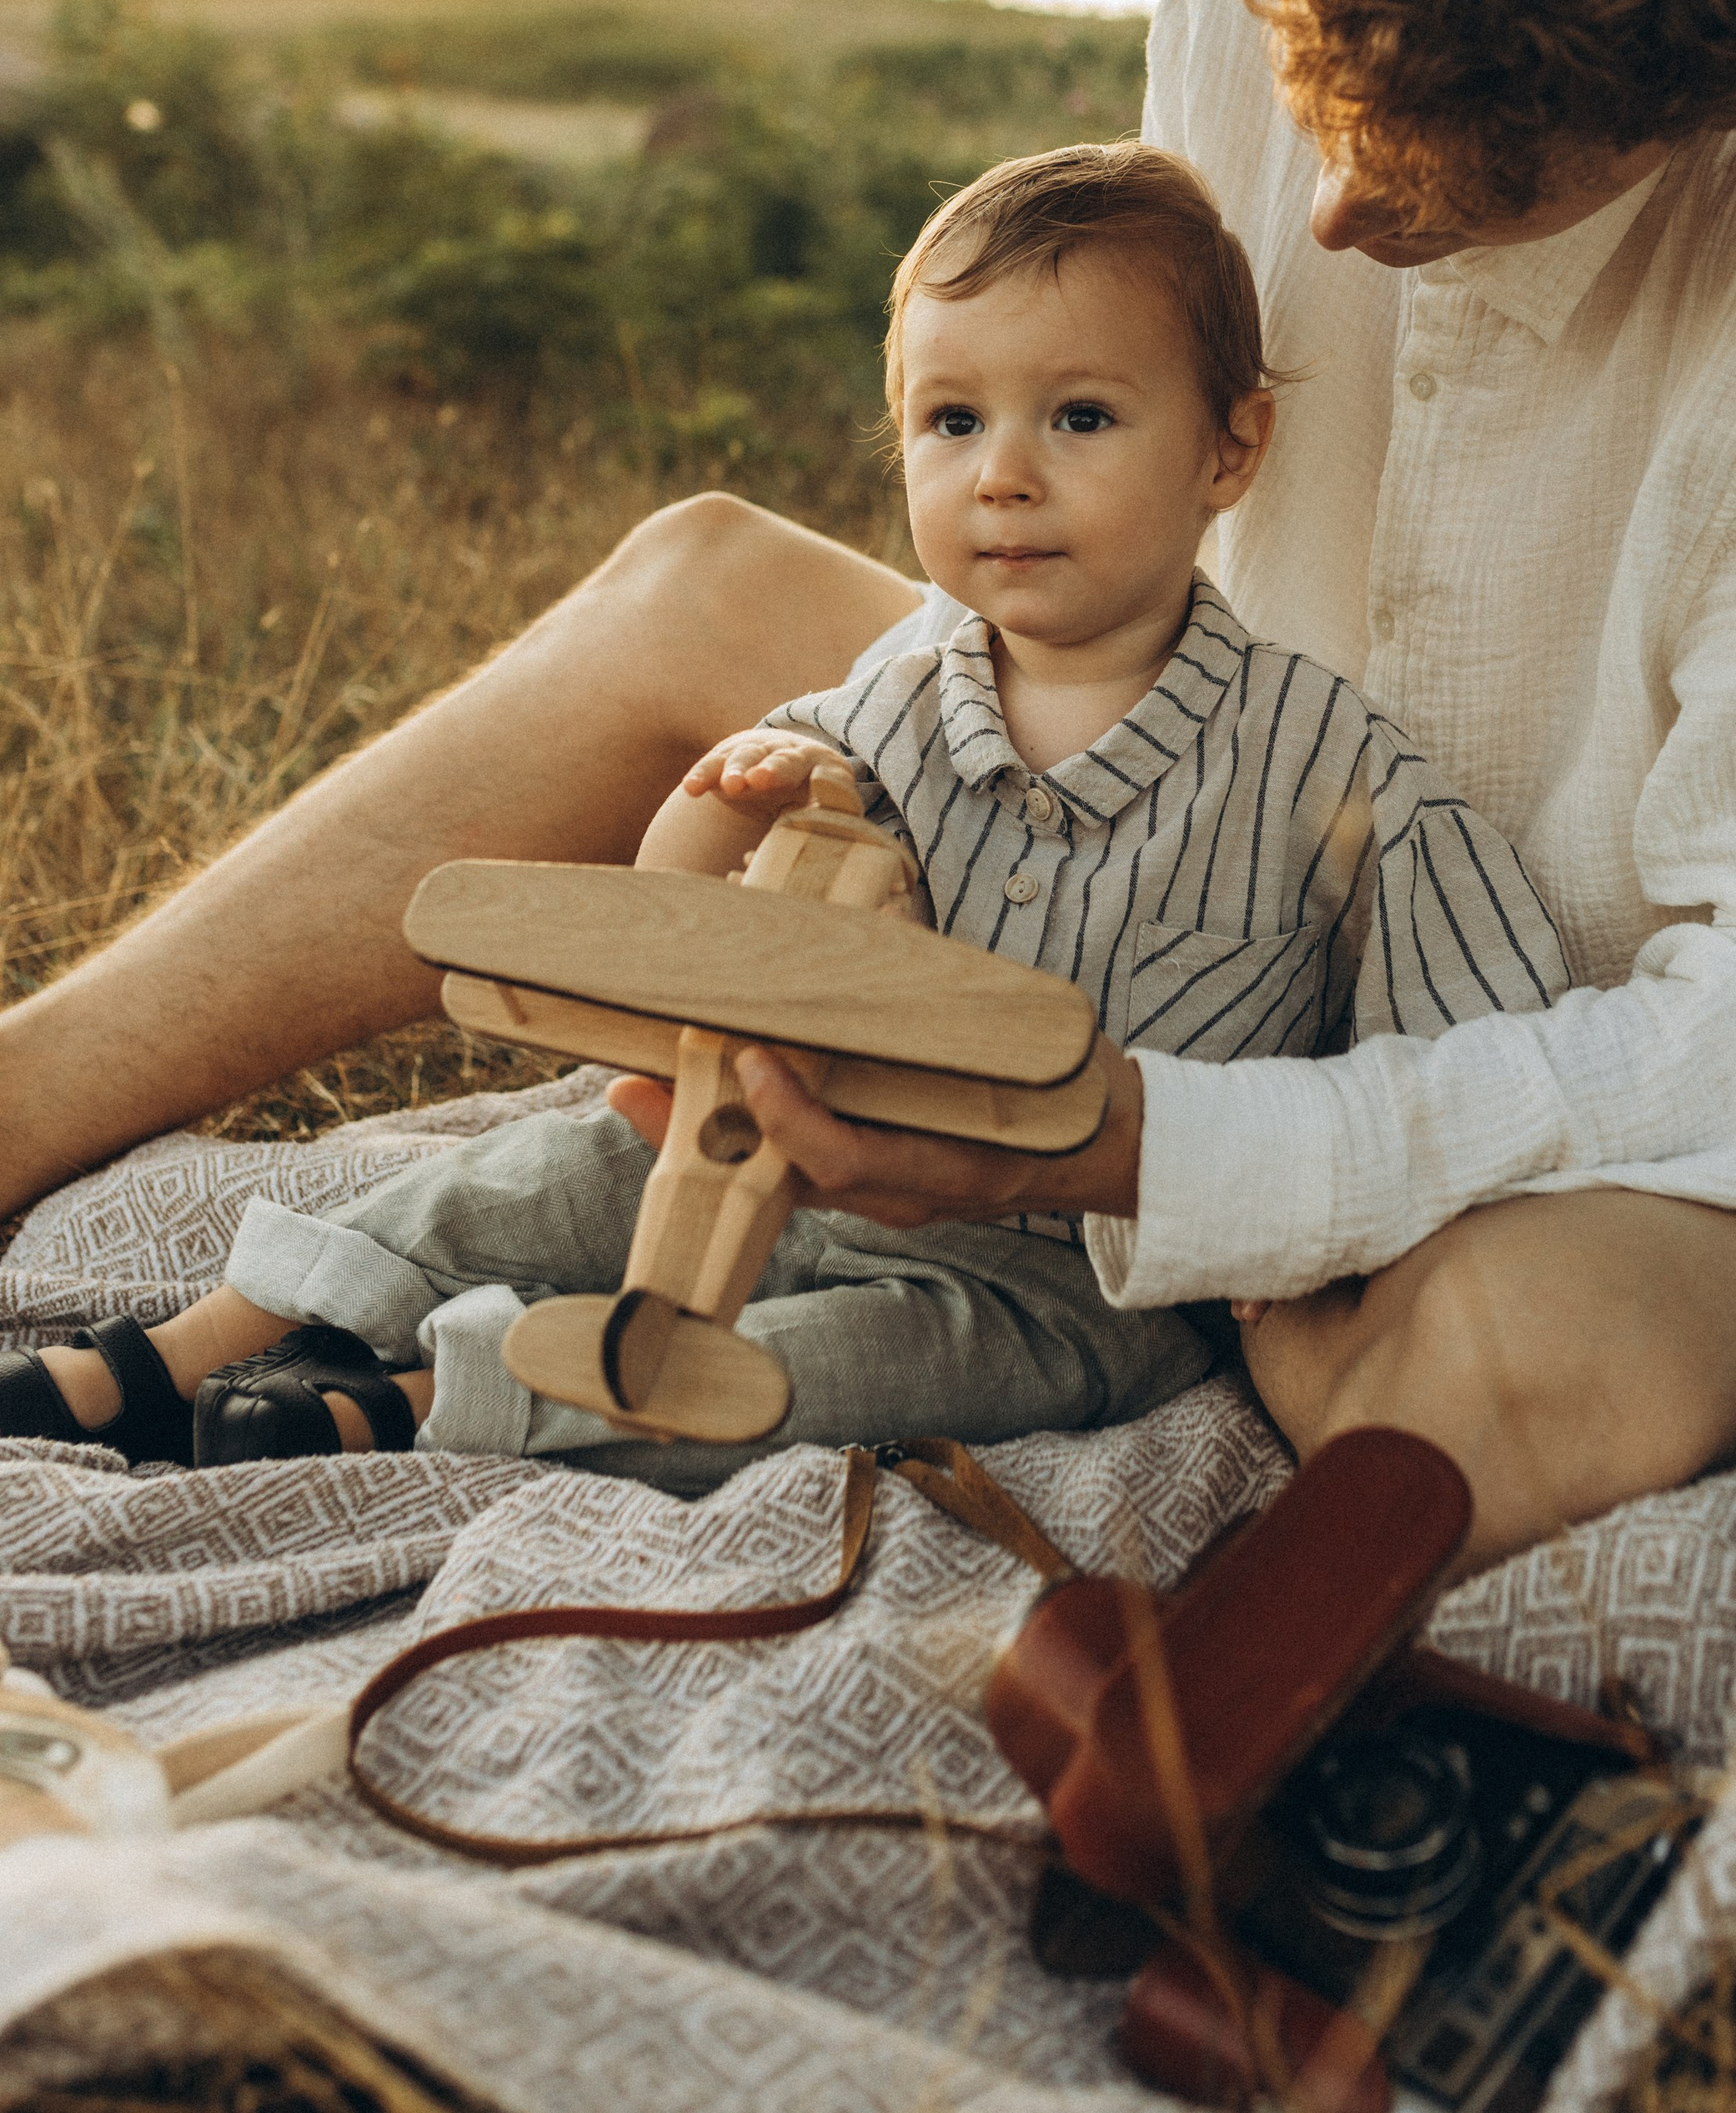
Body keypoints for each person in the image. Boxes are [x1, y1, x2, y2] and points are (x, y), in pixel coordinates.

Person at [3, 0, 1736, 1583]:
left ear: (1699, 105)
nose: (1332, 217)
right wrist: (936, 799)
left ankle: (1166, 1301)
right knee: (700, 585)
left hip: (1618, 1040)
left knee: (1509, 1396)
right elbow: (1140, 464)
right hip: (1196, 805)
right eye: (1325, 101)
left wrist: (1159, 1148)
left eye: (1465, 171)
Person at [0, 148, 1562, 1482]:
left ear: (1231, 446)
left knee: (828, 1368)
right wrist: (729, 806)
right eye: (953, 423)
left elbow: (1469, 1057)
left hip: (1058, 1275)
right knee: (534, 1178)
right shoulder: (882, 706)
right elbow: (672, 922)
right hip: (784, 1153)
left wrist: (1312, 1229)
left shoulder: (1339, 774)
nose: (1003, 477)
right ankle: (191, 1349)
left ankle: (407, 1404)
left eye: (1081, 419)